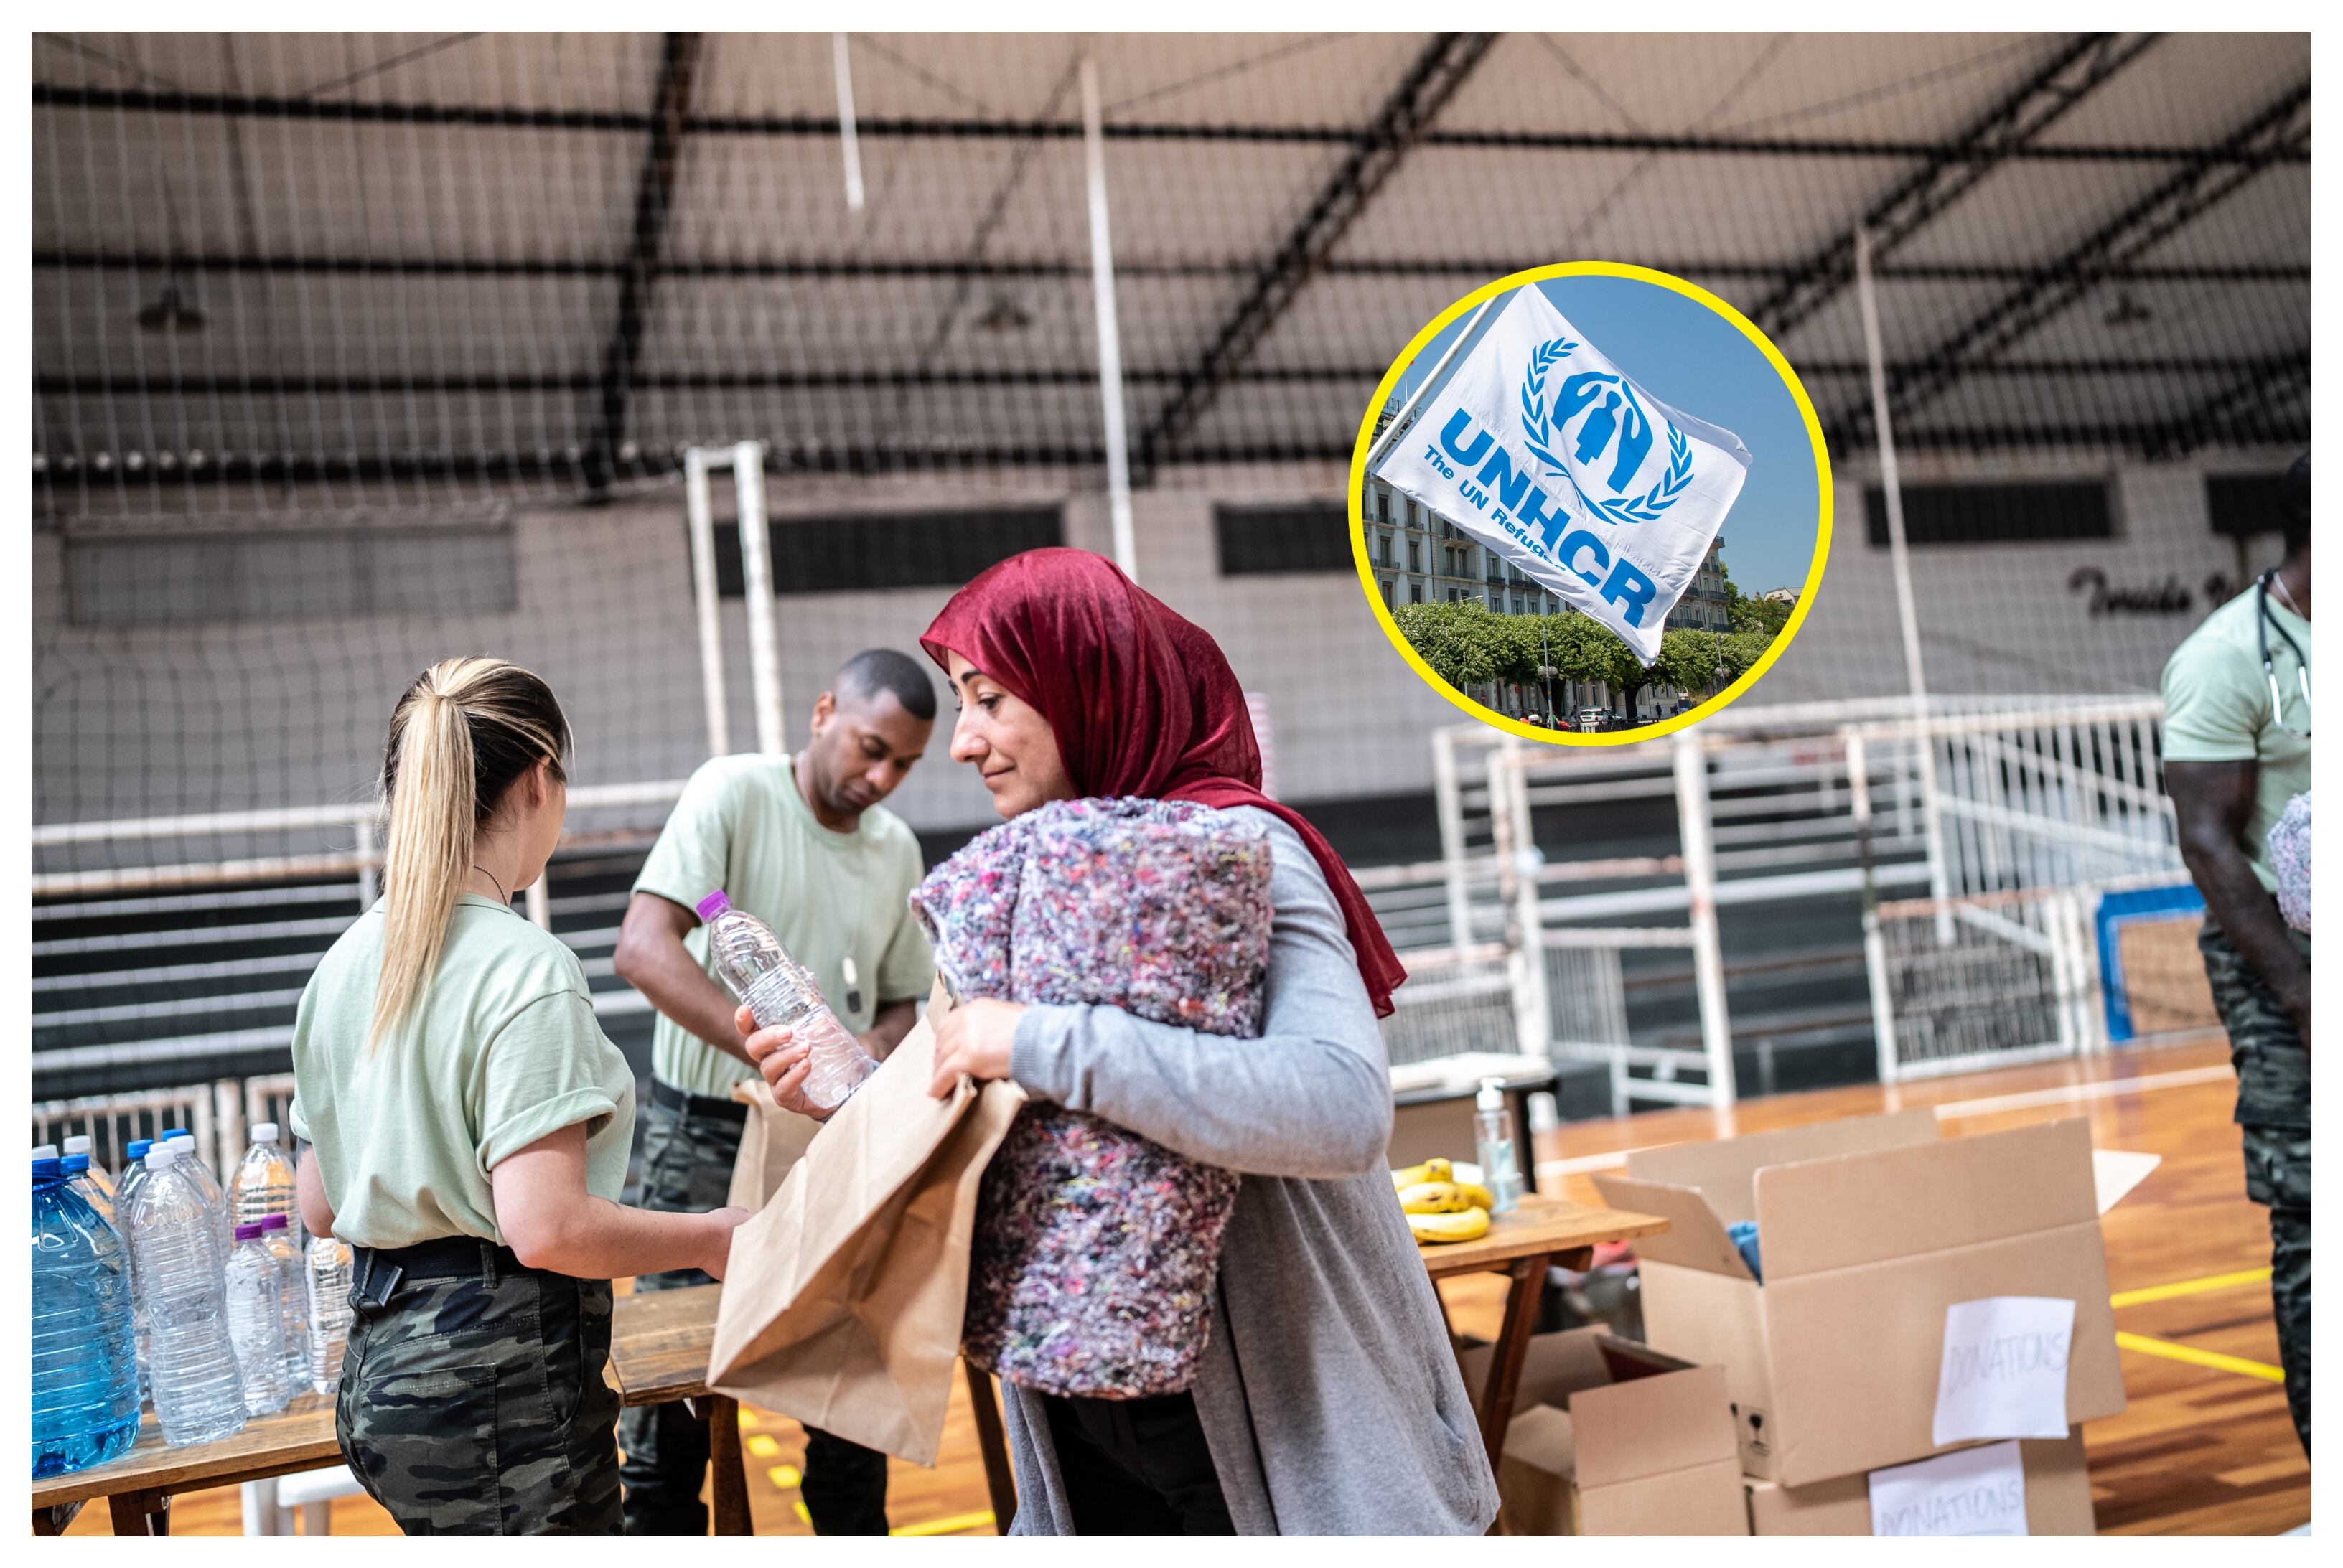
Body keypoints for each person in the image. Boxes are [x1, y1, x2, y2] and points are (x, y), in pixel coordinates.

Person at [746, 550, 1499, 1535]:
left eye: (991, 698)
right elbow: (979, 1119)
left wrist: (1035, 1039)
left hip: (1277, 1434)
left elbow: (1341, 1106)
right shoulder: (1012, 886)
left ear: (1088, 683)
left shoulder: (1242, 851)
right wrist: (858, 1086)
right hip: (1084, 1421)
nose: (965, 742)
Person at [290, 657, 747, 1536]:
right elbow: (548, 1227)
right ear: (541, 781)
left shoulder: (342, 965)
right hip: (497, 1390)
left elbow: (320, 1202)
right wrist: (711, 1238)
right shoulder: (526, 968)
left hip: (383, 1380)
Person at [609, 648, 938, 1534]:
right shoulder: (733, 793)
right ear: (824, 710)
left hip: (833, 1140)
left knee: (848, 1391)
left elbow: (905, 1003)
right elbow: (645, 946)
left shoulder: (898, 848)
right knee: (671, 1408)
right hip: (706, 1132)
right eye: (871, 747)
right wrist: (769, 1052)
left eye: (903, 764)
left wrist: (865, 1045)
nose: (882, 776)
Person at [2161, 451, 2311, 1457]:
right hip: (2284, 959)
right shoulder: (2225, 657)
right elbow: (2210, 841)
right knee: (2315, 1221)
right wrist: (2303, 992)